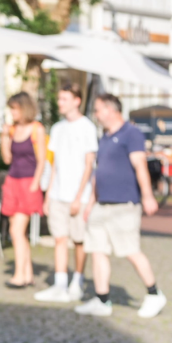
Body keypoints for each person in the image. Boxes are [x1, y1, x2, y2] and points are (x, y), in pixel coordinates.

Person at [76, 93, 167, 318]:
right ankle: (102, 300)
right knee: (97, 251)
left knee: (130, 250)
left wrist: (147, 196)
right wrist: (90, 203)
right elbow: (99, 172)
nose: (96, 115)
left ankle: (154, 294)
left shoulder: (131, 133)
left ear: (110, 110)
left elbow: (140, 165)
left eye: (98, 110)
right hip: (102, 204)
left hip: (124, 204)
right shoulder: (105, 137)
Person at [35, 82, 98, 303]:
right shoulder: (57, 128)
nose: (60, 103)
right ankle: (60, 284)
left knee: (79, 240)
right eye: (59, 98)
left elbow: (89, 165)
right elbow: (54, 165)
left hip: (79, 196)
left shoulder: (87, 127)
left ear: (77, 101)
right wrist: (48, 195)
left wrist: (79, 197)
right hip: (57, 195)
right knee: (59, 239)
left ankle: (77, 282)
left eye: (64, 99)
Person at [0, 92, 46, 288]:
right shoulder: (12, 130)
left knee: (16, 230)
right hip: (12, 182)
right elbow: (7, 159)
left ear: (24, 108)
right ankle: (28, 274)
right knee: (20, 232)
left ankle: (19, 275)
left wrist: (35, 184)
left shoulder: (37, 129)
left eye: (15, 108)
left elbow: (42, 160)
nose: (12, 112)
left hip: (28, 183)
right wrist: (4, 136)